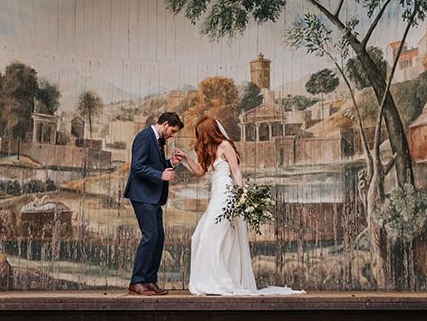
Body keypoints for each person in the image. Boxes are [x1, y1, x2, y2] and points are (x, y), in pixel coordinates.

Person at [176, 116, 304, 296]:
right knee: (198, 237)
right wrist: (185, 159)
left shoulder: (225, 146)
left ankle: (217, 282)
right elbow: (200, 172)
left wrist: (242, 195)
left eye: (202, 133)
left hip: (227, 195)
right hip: (216, 196)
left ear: (210, 131)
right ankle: (212, 280)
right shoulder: (209, 150)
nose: (200, 137)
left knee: (208, 236)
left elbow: (235, 171)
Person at [124, 112, 184, 296]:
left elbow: (154, 165)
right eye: (172, 131)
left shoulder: (157, 139)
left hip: (153, 197)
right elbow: (137, 166)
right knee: (150, 237)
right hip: (142, 196)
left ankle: (150, 280)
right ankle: (137, 281)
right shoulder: (144, 137)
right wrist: (160, 175)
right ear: (165, 124)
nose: (172, 135)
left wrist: (170, 163)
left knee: (158, 239)